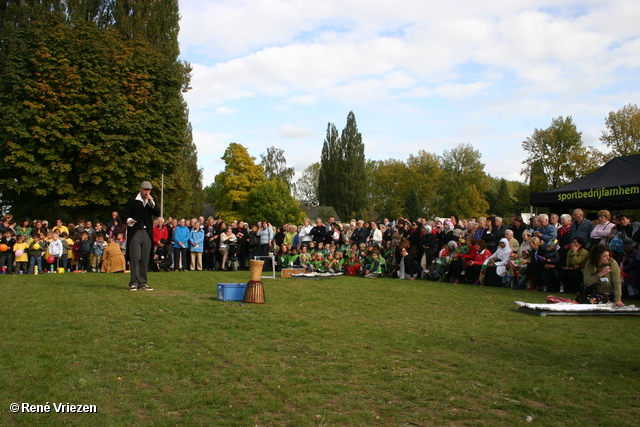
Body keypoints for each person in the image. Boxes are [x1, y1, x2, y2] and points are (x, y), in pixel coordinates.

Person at [121, 181, 160, 291]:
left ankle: (142, 282)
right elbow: (124, 214)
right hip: (135, 231)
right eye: (145, 190)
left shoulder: (151, 201)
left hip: (147, 232)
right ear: (141, 189)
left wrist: (152, 201)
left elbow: (157, 213)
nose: (147, 192)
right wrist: (129, 220)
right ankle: (134, 282)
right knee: (135, 257)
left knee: (145, 257)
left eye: (149, 190)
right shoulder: (132, 200)